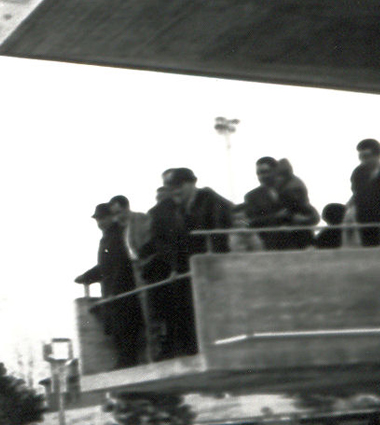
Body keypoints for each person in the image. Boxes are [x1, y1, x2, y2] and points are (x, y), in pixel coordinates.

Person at [139, 168, 234, 359]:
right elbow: (164, 241)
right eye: (170, 187)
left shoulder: (212, 202)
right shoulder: (169, 209)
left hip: (211, 270)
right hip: (185, 272)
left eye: (179, 186)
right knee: (185, 314)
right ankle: (191, 351)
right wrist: (174, 266)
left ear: (192, 183)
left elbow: (222, 234)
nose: (175, 191)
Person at [76, 202, 145, 368]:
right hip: (113, 291)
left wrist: (115, 289)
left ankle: (127, 361)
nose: (100, 223)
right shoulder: (107, 237)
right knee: (117, 328)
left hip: (123, 290)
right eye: (97, 220)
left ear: (111, 217)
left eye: (102, 218)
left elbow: (120, 264)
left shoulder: (118, 234)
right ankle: (124, 360)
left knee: (125, 326)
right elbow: (105, 266)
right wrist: (88, 276)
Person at [242, 157, 319, 250]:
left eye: (266, 172)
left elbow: (313, 216)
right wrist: (276, 217)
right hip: (271, 247)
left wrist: (302, 220)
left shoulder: (292, 190)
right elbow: (252, 222)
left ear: (276, 171)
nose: (262, 176)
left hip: (299, 245)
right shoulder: (251, 196)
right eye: (259, 173)